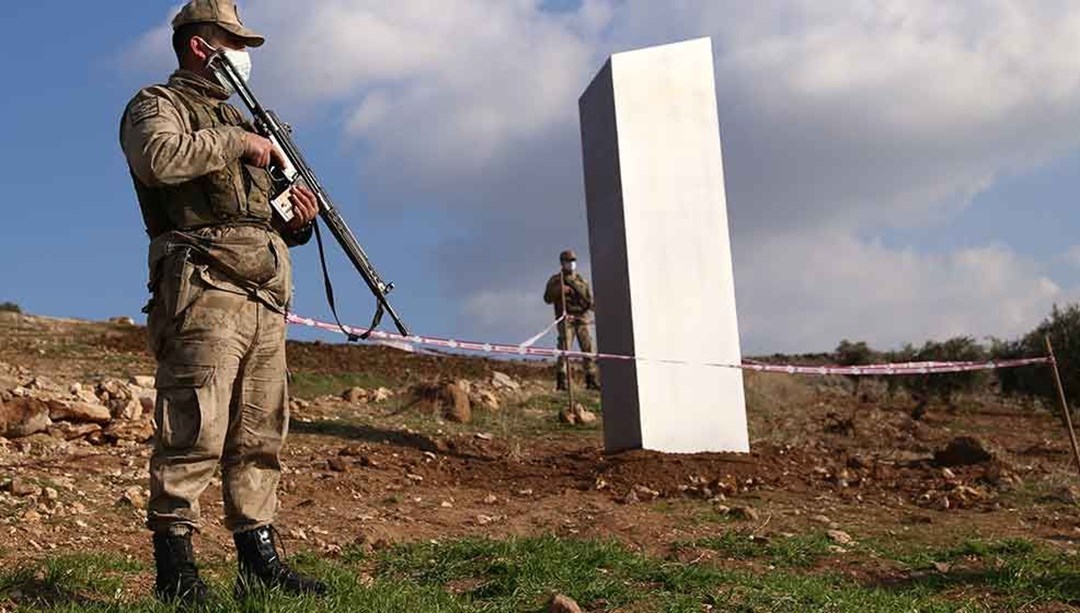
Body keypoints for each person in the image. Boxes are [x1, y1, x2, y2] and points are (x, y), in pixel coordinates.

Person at [119, 0, 326, 604]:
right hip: (204, 291)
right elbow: (157, 161)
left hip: (263, 297)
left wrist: (298, 218)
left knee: (259, 432)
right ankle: (176, 571)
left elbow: (268, 212)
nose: (243, 55)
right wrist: (237, 141)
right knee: (195, 428)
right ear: (197, 44)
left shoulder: (251, 121)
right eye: (231, 41)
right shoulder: (157, 105)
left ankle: (258, 560)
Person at [543, 250, 600, 391]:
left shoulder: (582, 281)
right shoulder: (556, 280)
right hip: (566, 318)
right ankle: (562, 381)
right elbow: (547, 298)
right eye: (568, 261)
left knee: (589, 348)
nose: (571, 263)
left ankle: (591, 379)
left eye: (573, 260)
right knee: (565, 348)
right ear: (562, 263)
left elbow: (590, 300)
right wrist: (559, 290)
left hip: (582, 318)